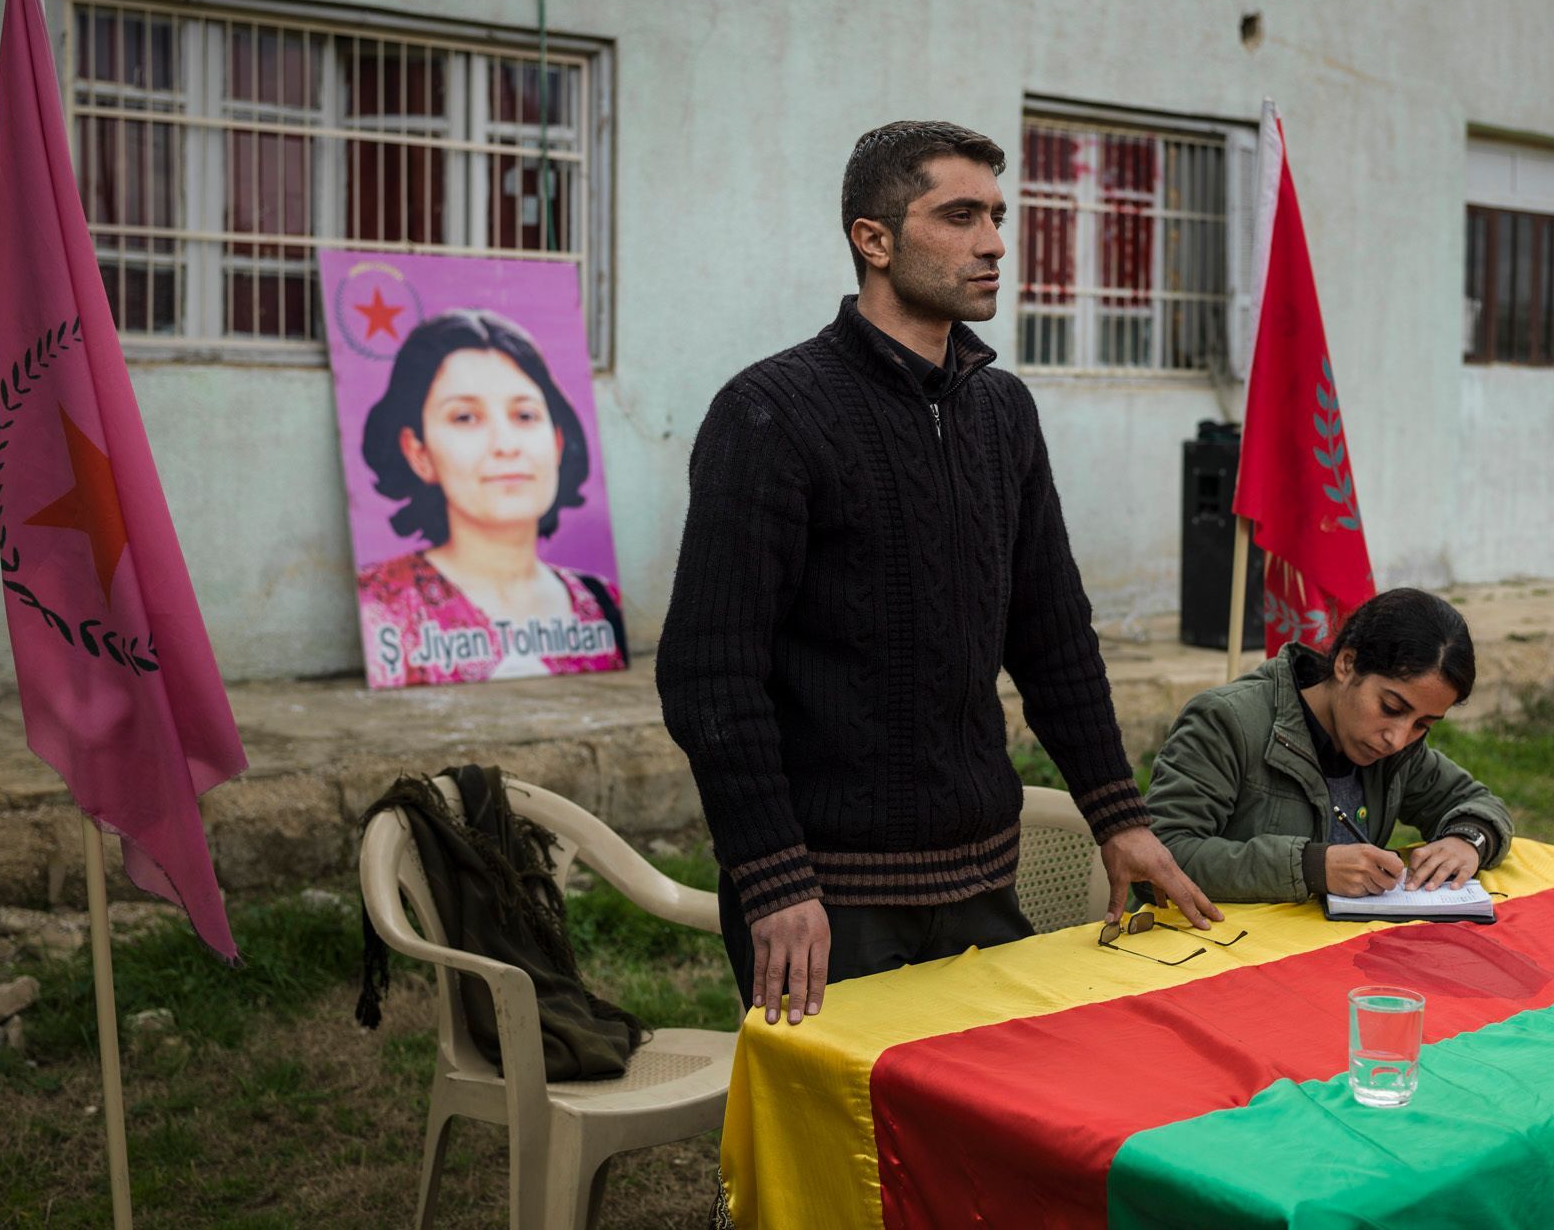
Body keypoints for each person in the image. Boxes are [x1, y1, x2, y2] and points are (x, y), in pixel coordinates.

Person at [657, 120, 1219, 1026]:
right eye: (958, 216)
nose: (994, 242)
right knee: (843, 1160)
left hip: (980, 879)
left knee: (992, 1145)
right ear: (871, 239)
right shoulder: (768, 413)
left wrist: (1121, 818)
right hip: (826, 897)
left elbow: (1052, 638)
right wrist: (772, 880)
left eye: (997, 215)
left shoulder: (1002, 410)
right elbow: (709, 675)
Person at [1144, 588, 1513, 903]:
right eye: (1391, 708)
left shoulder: (1399, 751)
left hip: (1326, 958)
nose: (1397, 738)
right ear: (1346, 663)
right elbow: (1157, 859)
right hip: (1205, 957)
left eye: (1423, 724)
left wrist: (1468, 840)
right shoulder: (1226, 722)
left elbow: (1477, 803)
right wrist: (1309, 867)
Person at [356, 308, 627, 687]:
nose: (505, 445)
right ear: (418, 453)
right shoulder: (380, 607)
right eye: (465, 417)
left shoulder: (604, 605)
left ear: (558, 441)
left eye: (525, 415)